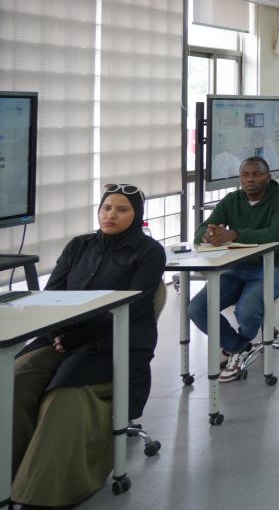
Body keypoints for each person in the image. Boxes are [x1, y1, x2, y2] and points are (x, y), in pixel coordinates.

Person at [10, 184, 164, 507]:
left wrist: (76, 337)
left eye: (122, 209)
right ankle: (8, 472)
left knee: (63, 394)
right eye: (106, 208)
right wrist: (58, 332)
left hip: (117, 338)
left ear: (137, 215)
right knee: (17, 378)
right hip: (62, 336)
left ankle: (44, 491)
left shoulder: (149, 251)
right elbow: (53, 294)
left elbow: (133, 306)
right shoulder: (79, 245)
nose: (111, 215)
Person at [191, 157, 279, 382]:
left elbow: (277, 233)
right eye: (245, 175)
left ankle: (238, 347)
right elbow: (202, 229)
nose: (250, 180)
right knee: (197, 308)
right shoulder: (232, 200)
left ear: (268, 177)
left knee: (247, 310)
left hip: (275, 265)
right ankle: (238, 347)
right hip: (237, 266)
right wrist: (208, 235)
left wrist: (235, 235)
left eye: (256, 174)